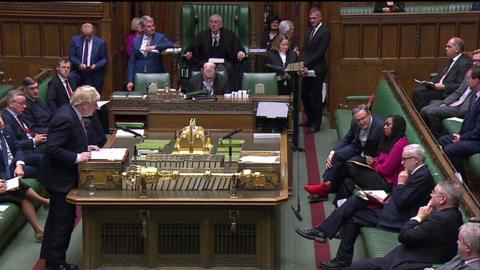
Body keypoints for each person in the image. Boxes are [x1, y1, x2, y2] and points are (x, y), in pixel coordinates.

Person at [296, 144, 435, 269]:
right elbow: (402, 199)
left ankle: (337, 252)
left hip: (399, 218)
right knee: (357, 199)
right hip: (392, 206)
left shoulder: (422, 177)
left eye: (405, 159)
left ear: (416, 160)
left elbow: (402, 203)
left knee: (354, 218)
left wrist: (400, 183)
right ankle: (323, 232)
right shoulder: (417, 172)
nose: (402, 162)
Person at [39, 85, 101, 270]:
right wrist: (77, 157)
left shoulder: (72, 113)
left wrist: (85, 148)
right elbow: (53, 148)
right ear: (83, 105)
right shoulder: (65, 118)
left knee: (56, 220)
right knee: (63, 222)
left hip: (60, 175)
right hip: (59, 179)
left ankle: (50, 258)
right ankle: (57, 263)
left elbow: (70, 140)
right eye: (94, 103)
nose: (96, 107)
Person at [348, 180, 464, 270]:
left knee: (357, 267)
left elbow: (404, 236)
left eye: (434, 192)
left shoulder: (441, 219)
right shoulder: (454, 215)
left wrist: (418, 217)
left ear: (442, 199)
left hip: (406, 262)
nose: (431, 195)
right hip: (408, 256)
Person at [304, 104, 384, 201]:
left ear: (369, 114)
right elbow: (348, 138)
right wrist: (333, 151)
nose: (361, 122)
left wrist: (375, 160)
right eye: (358, 120)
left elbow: (384, 148)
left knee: (349, 163)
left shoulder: (380, 127)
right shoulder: (355, 121)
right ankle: (324, 188)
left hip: (369, 156)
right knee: (337, 155)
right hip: (358, 146)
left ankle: (325, 188)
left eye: (363, 118)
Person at [334, 115, 409, 204]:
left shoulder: (400, 145)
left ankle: (329, 185)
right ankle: (339, 206)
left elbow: (386, 170)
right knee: (348, 181)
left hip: (386, 182)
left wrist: (373, 164)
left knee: (350, 166)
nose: (384, 127)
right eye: (385, 124)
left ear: (397, 126)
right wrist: (374, 160)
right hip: (379, 175)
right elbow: (382, 157)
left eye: (388, 125)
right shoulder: (392, 140)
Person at [0, 115, 49, 242]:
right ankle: (45, 202)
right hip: (4, 174)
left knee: (20, 193)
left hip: (9, 171)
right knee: (19, 190)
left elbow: (17, 149)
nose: (1, 121)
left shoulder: (6, 130)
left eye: (0, 117)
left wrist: (19, 165)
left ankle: (39, 230)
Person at [420, 49, 480, 138]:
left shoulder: (476, 78)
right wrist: (445, 103)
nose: (475, 63)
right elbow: (458, 92)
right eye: (473, 61)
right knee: (424, 110)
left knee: (432, 112)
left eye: (478, 61)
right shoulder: (471, 72)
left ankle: (435, 139)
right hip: (456, 102)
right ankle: (427, 137)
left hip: (463, 109)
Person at [47, 57, 106, 147]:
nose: (66, 70)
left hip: (77, 106)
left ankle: (102, 141)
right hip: (67, 111)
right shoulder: (54, 83)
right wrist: (58, 115)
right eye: (63, 67)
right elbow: (50, 101)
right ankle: (98, 143)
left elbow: (77, 95)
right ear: (57, 68)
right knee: (92, 116)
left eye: (68, 68)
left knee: (95, 112)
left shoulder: (71, 80)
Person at [184, 14, 246, 92]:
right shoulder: (202, 35)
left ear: (221, 25)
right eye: (211, 22)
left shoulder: (229, 34)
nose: (213, 24)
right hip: (206, 62)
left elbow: (237, 47)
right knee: (207, 68)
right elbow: (192, 47)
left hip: (224, 63)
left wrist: (240, 52)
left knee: (224, 70)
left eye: (216, 22)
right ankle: (200, 92)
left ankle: (223, 93)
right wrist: (189, 52)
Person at [438, 65, 480, 180]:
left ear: (476, 81)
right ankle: (450, 175)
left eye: (468, 79)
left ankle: (462, 182)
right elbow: (468, 120)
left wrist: (462, 138)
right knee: (443, 140)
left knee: (450, 150)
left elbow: (478, 130)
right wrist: (460, 134)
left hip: (477, 140)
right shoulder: (475, 95)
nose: (467, 81)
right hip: (470, 135)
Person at [412, 37, 472, 111]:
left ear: (457, 49)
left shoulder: (464, 63)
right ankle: (419, 118)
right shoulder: (450, 60)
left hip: (447, 92)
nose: (446, 49)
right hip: (438, 88)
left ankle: (422, 120)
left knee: (421, 94)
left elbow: (461, 85)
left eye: (449, 47)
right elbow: (439, 76)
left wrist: (444, 87)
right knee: (416, 91)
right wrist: (430, 83)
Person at [299, 7, 331, 133]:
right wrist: (303, 63)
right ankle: (310, 119)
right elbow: (305, 49)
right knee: (305, 95)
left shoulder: (325, 32)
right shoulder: (309, 31)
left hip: (318, 69)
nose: (312, 20)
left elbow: (320, 52)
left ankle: (316, 125)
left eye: (314, 18)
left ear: (320, 17)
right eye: (310, 18)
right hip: (307, 69)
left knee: (316, 97)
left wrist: (306, 63)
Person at [126, 15, 174, 91]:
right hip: (139, 76)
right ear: (142, 28)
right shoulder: (136, 41)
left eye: (153, 25)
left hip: (155, 75)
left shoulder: (159, 37)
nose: (152, 28)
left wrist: (155, 47)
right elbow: (131, 62)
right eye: (149, 26)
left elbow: (172, 45)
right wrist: (129, 81)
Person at [68, 23, 108, 94]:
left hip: (93, 72)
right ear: (81, 32)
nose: (87, 38)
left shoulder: (100, 42)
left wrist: (96, 65)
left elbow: (104, 59)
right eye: (85, 35)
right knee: (70, 77)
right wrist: (79, 64)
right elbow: (71, 56)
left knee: (93, 96)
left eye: (89, 36)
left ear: (93, 32)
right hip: (79, 71)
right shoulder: (75, 40)